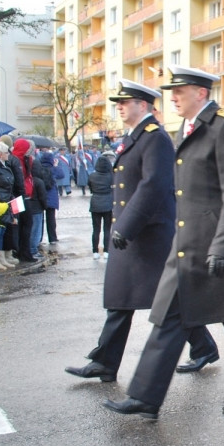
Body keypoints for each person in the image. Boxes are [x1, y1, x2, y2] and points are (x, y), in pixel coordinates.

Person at [103, 66, 224, 419]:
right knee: (167, 318)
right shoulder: (187, 128)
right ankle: (145, 397)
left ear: (201, 93)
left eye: (179, 92)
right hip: (186, 242)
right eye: (172, 92)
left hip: (216, 242)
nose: (173, 98)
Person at [65, 80, 179, 384]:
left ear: (143, 105)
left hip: (147, 233)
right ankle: (104, 361)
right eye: (118, 102)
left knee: (169, 302)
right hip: (132, 232)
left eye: (125, 102)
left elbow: (153, 185)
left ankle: (204, 347)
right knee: (121, 299)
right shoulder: (135, 137)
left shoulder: (155, 138)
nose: (119, 106)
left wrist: (126, 225)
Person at [88, 154, 113, 260]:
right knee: (107, 229)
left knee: (96, 229)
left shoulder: (92, 176)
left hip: (95, 203)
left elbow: (90, 188)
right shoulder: (111, 176)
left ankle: (95, 251)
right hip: (108, 203)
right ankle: (106, 251)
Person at [38, 150, 62, 245]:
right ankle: (52, 237)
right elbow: (61, 175)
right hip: (51, 196)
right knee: (51, 219)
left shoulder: (39, 168)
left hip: (41, 195)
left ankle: (39, 238)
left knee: (40, 219)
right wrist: (56, 165)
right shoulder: (53, 169)